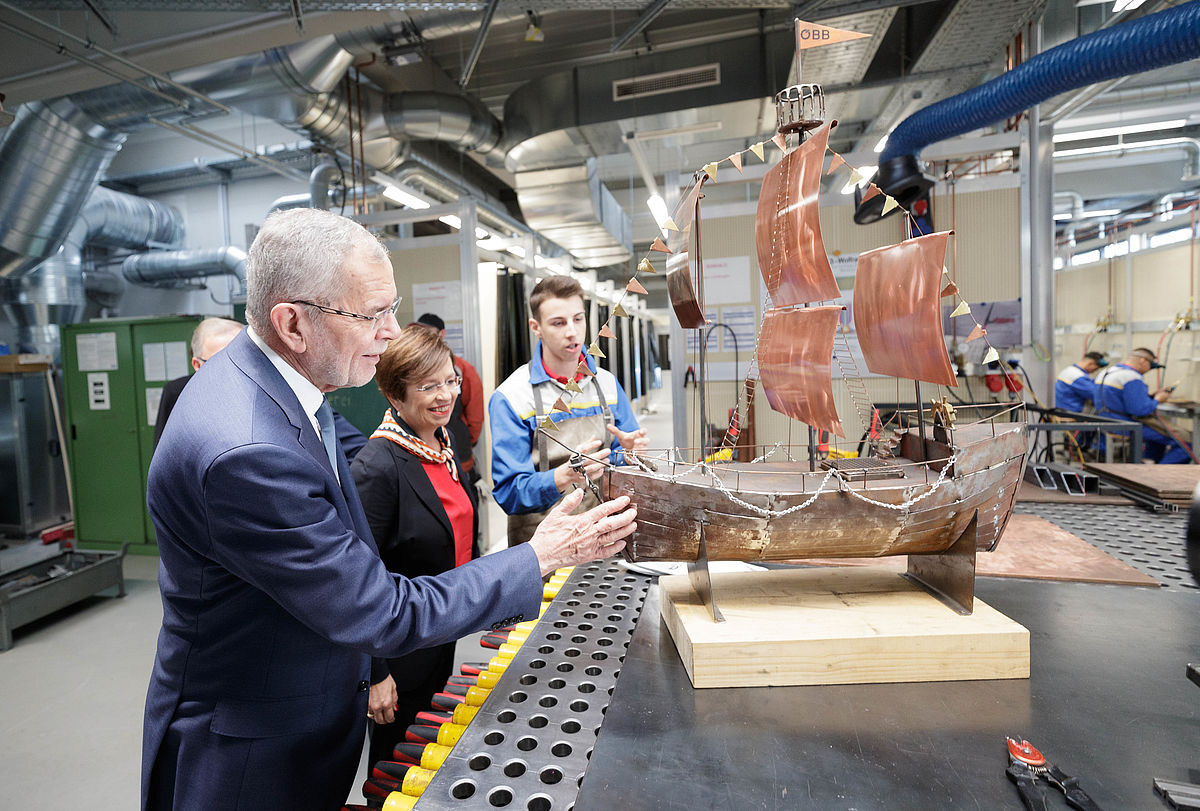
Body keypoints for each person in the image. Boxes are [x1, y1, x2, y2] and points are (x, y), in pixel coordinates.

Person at [141, 208, 636, 811]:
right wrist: (541, 554)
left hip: (296, 721)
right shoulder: (246, 451)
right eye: (373, 314)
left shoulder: (283, 385)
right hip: (250, 756)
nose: (391, 331)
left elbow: (350, 452)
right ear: (292, 323)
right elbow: (381, 610)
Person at [350, 325, 478, 768]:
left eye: (450, 380)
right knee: (395, 758)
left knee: (426, 745)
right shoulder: (377, 467)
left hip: (440, 629)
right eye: (427, 386)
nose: (444, 395)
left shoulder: (442, 441)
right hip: (400, 647)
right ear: (394, 396)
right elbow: (357, 581)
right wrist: (376, 672)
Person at [489, 275, 648, 546]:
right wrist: (563, 476)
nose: (572, 332)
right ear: (535, 327)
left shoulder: (608, 385)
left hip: (605, 537)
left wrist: (632, 456)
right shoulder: (512, 396)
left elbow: (622, 458)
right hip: (542, 548)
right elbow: (509, 494)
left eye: (578, 319)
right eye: (558, 323)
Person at [415, 312, 484, 483]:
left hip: (458, 453)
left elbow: (475, 414)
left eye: (449, 381)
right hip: (420, 454)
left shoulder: (462, 369)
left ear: (441, 334)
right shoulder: (413, 367)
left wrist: (464, 439)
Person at [152, 317, 241, 447]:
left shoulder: (261, 390)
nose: (233, 369)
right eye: (219, 362)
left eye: (241, 358)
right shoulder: (178, 393)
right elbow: (164, 451)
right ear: (197, 365)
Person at [1093, 347, 1191, 464]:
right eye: (1150, 365)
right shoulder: (1131, 376)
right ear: (1143, 361)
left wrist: (1150, 396)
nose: (1149, 369)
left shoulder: (1107, 372)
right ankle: (1160, 475)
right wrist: (1158, 400)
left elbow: (1119, 399)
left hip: (1107, 422)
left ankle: (1150, 464)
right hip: (1125, 426)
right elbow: (1140, 410)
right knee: (1187, 443)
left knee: (1157, 440)